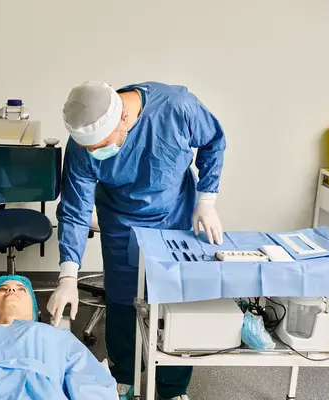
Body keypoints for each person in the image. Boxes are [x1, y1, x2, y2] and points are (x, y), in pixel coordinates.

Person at [47, 81, 227, 400]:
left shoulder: (177, 108)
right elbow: (75, 210)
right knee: (122, 299)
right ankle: (124, 377)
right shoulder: (81, 148)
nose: (94, 153)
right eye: (88, 148)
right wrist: (68, 275)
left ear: (124, 120)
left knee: (175, 301)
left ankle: (172, 389)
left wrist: (207, 200)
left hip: (175, 215)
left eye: (100, 145)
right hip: (120, 219)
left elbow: (214, 139)